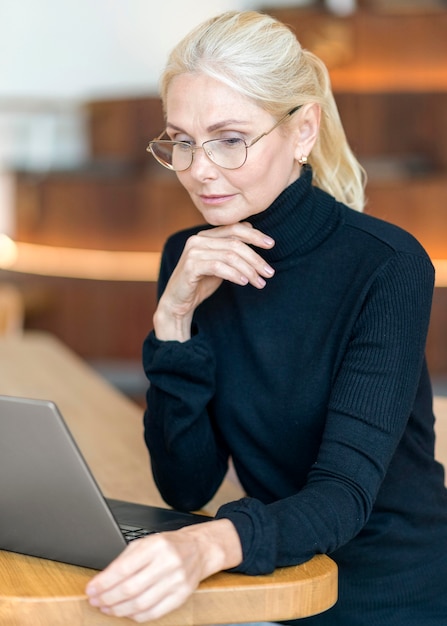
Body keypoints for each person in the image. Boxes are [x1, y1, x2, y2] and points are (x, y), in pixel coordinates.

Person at [85, 10, 447, 625]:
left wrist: (207, 545)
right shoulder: (191, 256)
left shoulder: (386, 264)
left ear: (302, 130)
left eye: (229, 138)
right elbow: (187, 486)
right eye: (181, 140)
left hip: (389, 590)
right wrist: (172, 321)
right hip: (275, 570)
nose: (199, 169)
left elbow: (342, 496)